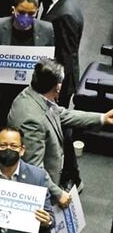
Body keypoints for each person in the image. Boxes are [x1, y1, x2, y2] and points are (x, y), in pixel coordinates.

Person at [9, 58, 113, 197]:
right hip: (41, 193)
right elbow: (34, 171)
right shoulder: (32, 121)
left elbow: (62, 114)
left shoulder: (31, 95)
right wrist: (58, 194)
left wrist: (102, 118)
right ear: (58, 87)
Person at [0, 0, 55, 154]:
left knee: (24, 131)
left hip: (28, 94)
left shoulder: (46, 30)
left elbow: (51, 60)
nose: (26, 17)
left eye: (31, 13)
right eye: (21, 12)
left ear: (37, 11)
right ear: (13, 10)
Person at [35, 0, 83, 108]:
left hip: (57, 84)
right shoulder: (58, 0)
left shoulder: (65, 15)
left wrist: (57, 87)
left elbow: (66, 56)